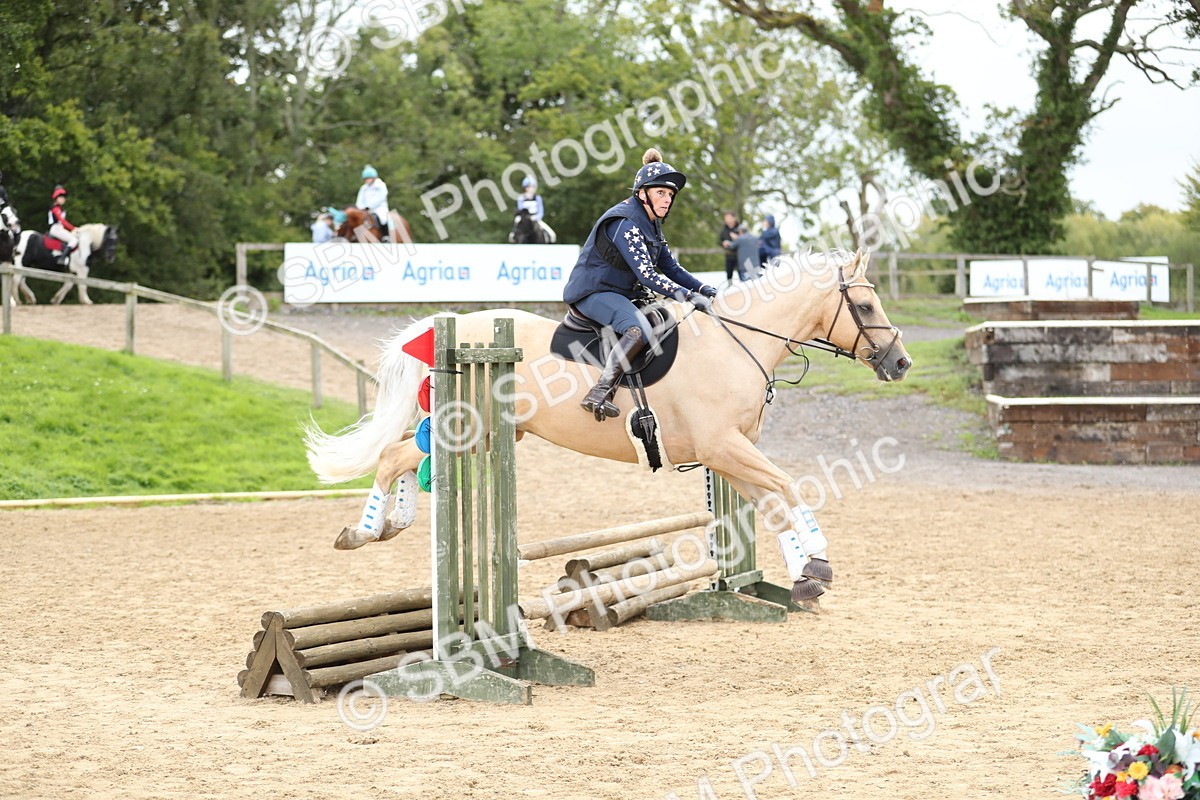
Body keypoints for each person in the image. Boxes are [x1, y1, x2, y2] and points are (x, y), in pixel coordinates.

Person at [563, 148, 719, 421]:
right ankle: (600, 392)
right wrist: (687, 296)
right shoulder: (626, 223)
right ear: (641, 193)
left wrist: (704, 289)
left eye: (670, 195)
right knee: (638, 329)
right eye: (661, 193)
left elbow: (671, 268)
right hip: (594, 292)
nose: (667, 199)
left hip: (620, 292)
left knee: (666, 320)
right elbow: (648, 275)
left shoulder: (652, 224)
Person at [515, 176, 556, 243]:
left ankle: (549, 240)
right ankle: (514, 239)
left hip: (535, 218)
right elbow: (520, 210)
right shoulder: (521, 198)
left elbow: (541, 211)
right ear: (525, 188)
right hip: (524, 219)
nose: (530, 189)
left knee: (552, 234)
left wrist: (536, 217)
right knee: (516, 228)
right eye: (528, 187)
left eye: (532, 187)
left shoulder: (537, 198)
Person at [355, 165, 390, 241]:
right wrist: (361, 207)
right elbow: (359, 200)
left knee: (383, 218)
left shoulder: (380, 185)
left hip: (379, 208)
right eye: (366, 179)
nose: (368, 180)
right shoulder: (363, 188)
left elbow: (381, 197)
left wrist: (370, 206)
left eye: (369, 178)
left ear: (374, 178)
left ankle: (386, 235)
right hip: (365, 209)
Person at [47, 185, 78, 265]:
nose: (63, 199)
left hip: (60, 228)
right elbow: (62, 221)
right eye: (60, 197)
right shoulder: (56, 209)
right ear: (56, 199)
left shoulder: (61, 209)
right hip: (56, 229)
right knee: (74, 240)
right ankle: (62, 258)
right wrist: (73, 228)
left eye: (63, 197)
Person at [719, 211, 740, 282]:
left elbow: (746, 239)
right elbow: (719, 241)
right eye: (726, 219)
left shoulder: (740, 228)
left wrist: (738, 238)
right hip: (729, 255)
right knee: (729, 276)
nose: (727, 220)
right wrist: (723, 243)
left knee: (743, 275)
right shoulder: (724, 230)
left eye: (729, 218)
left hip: (740, 256)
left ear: (734, 218)